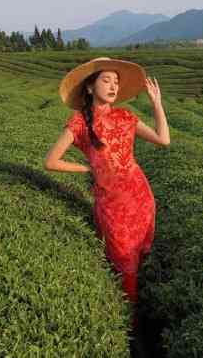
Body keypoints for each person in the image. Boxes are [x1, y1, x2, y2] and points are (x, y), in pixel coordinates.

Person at [44, 57, 170, 330]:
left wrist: (157, 105)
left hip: (139, 196)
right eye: (106, 80)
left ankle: (135, 323)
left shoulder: (126, 117)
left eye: (116, 81)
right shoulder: (79, 122)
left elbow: (163, 140)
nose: (113, 86)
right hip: (111, 204)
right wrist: (86, 168)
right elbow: (51, 161)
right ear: (90, 88)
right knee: (123, 263)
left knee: (136, 259)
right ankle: (127, 326)